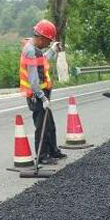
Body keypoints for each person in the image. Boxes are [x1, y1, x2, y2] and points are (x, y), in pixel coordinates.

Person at [20, 19, 65, 164]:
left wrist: (52, 50)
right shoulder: (30, 51)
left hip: (41, 93)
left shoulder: (36, 49)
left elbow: (43, 60)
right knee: (42, 126)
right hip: (36, 95)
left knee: (49, 124)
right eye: (48, 41)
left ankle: (53, 151)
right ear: (41, 38)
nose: (48, 44)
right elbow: (33, 80)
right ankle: (42, 156)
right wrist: (42, 97)